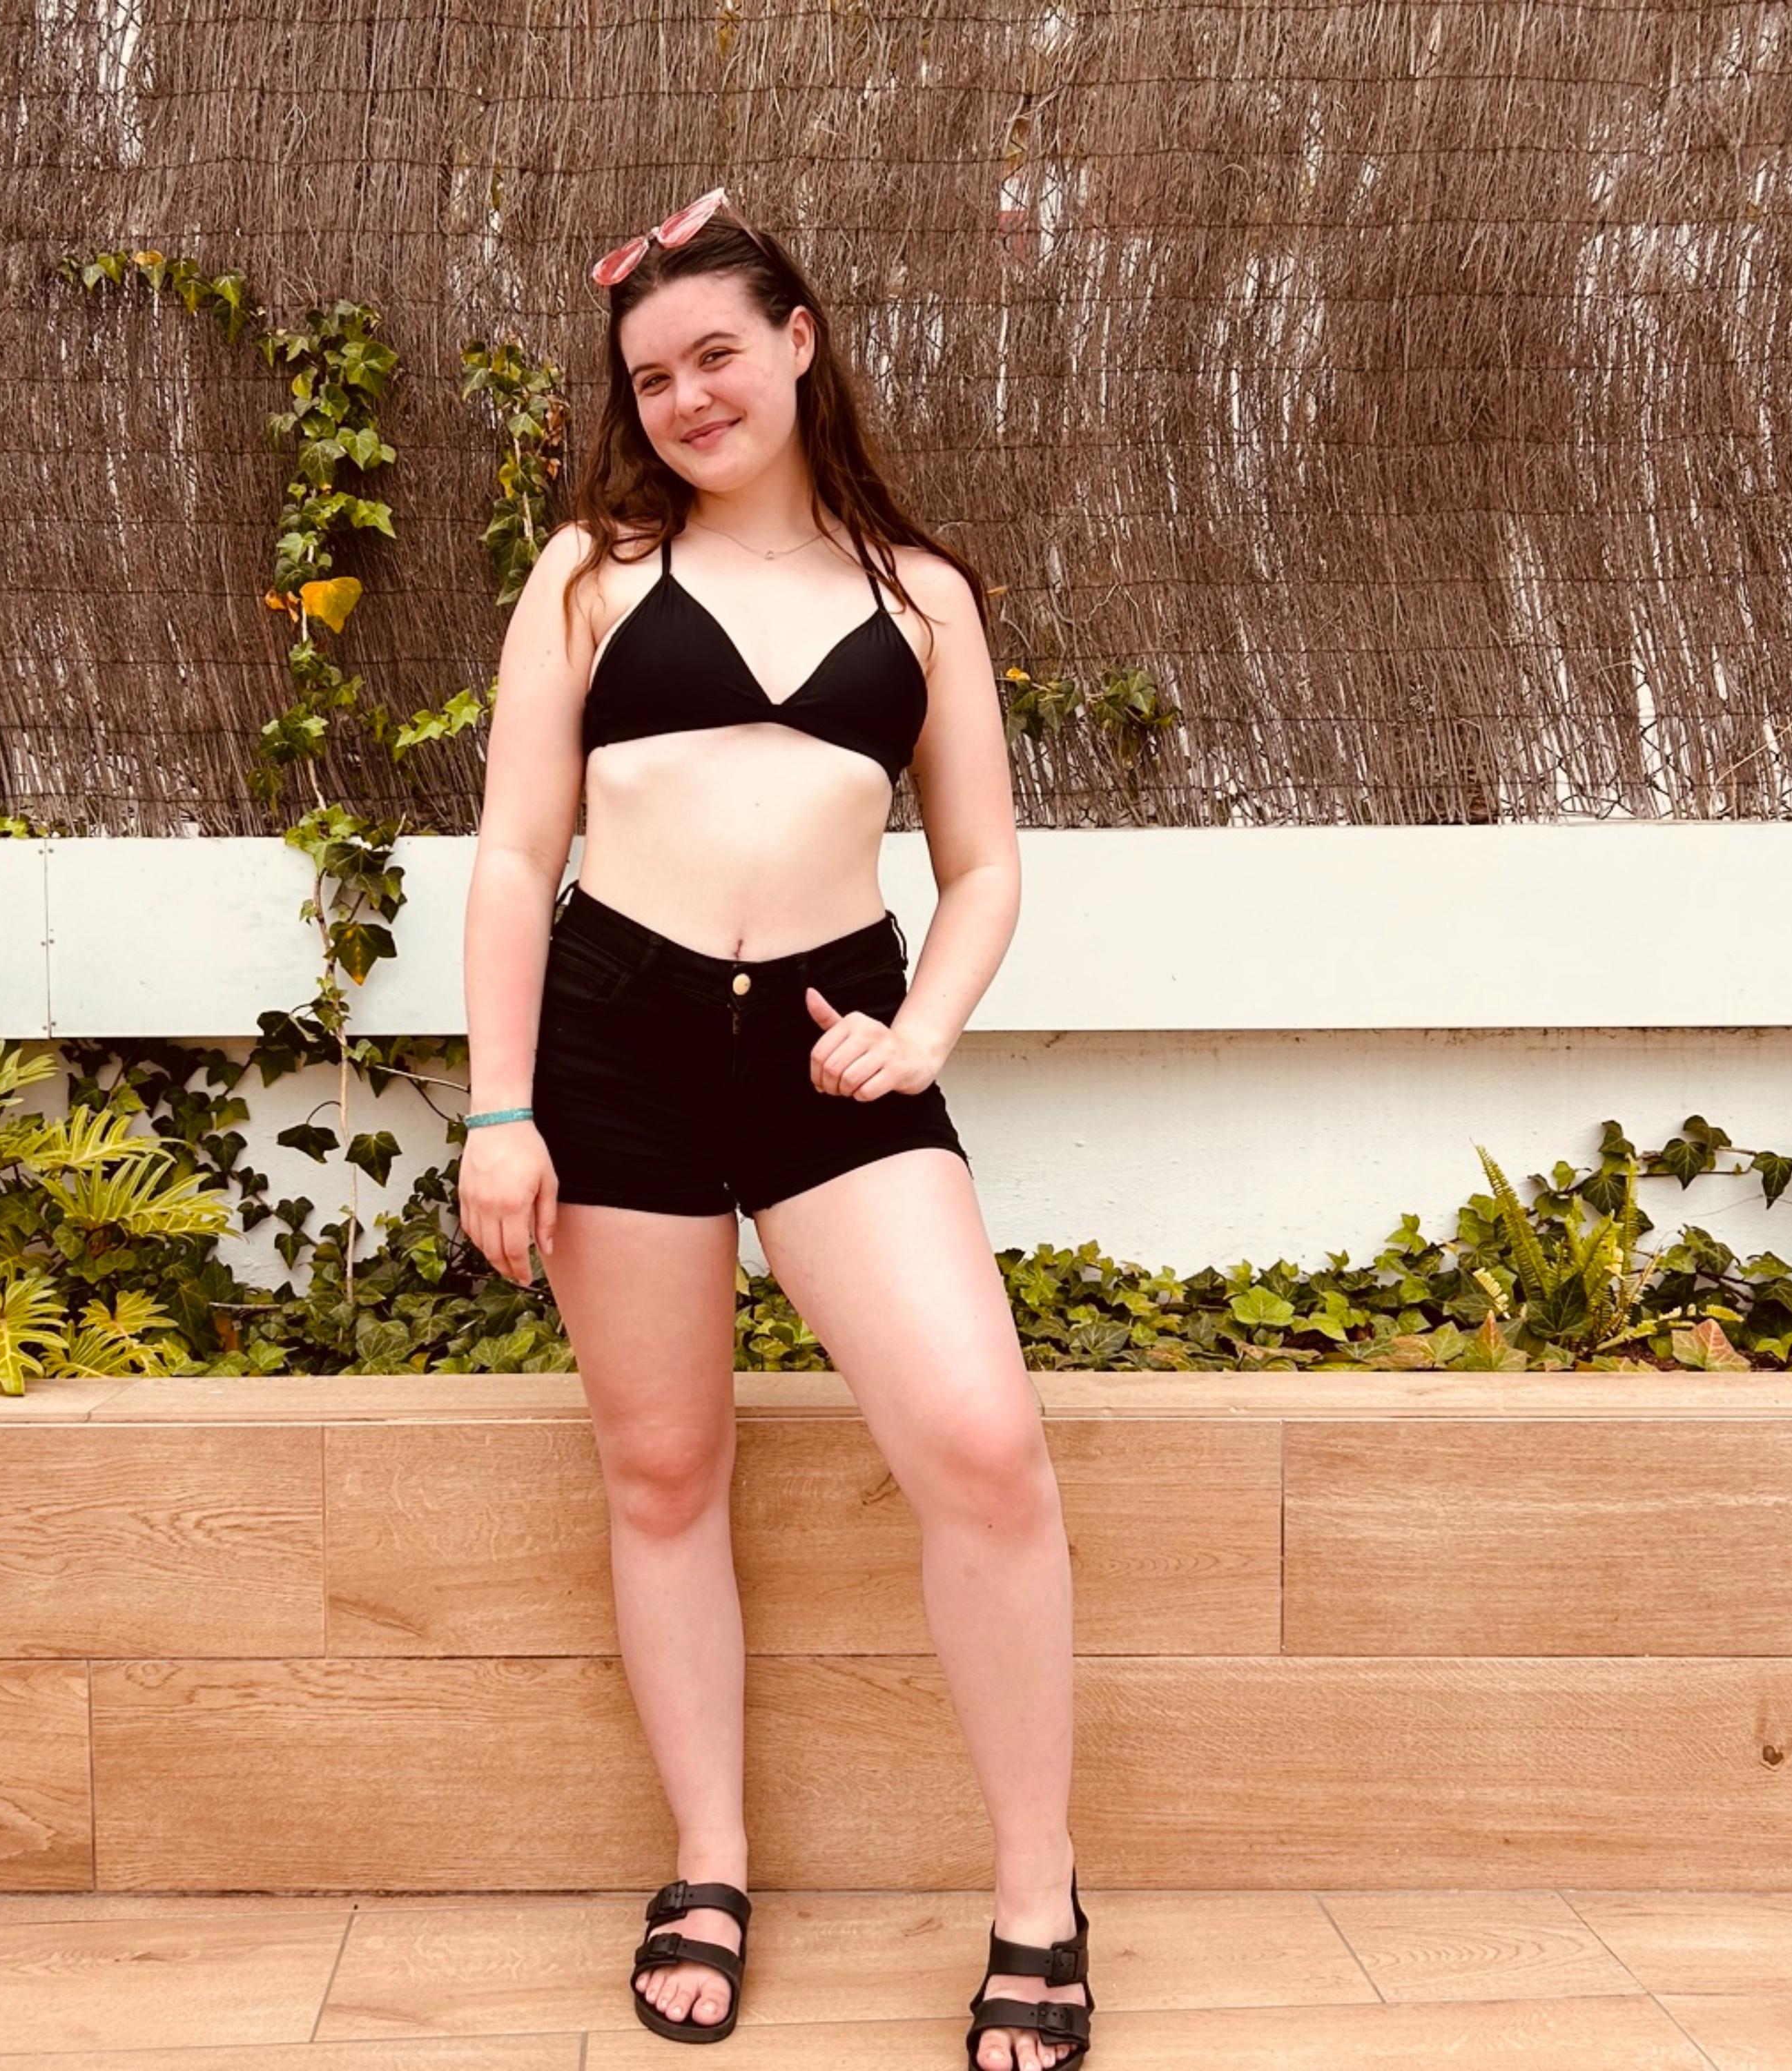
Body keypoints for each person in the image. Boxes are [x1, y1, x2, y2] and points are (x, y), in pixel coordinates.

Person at [457, 185, 1093, 2071]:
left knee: (985, 1448)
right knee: (663, 1471)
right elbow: (514, 854)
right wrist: (501, 1107)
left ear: (799, 341)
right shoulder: (589, 575)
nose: (687, 398)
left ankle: (1040, 1897)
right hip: (616, 1046)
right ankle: (711, 1864)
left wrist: (924, 1032)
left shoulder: (922, 596)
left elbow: (981, 866)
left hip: (834, 1053)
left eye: (716, 354)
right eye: (651, 377)